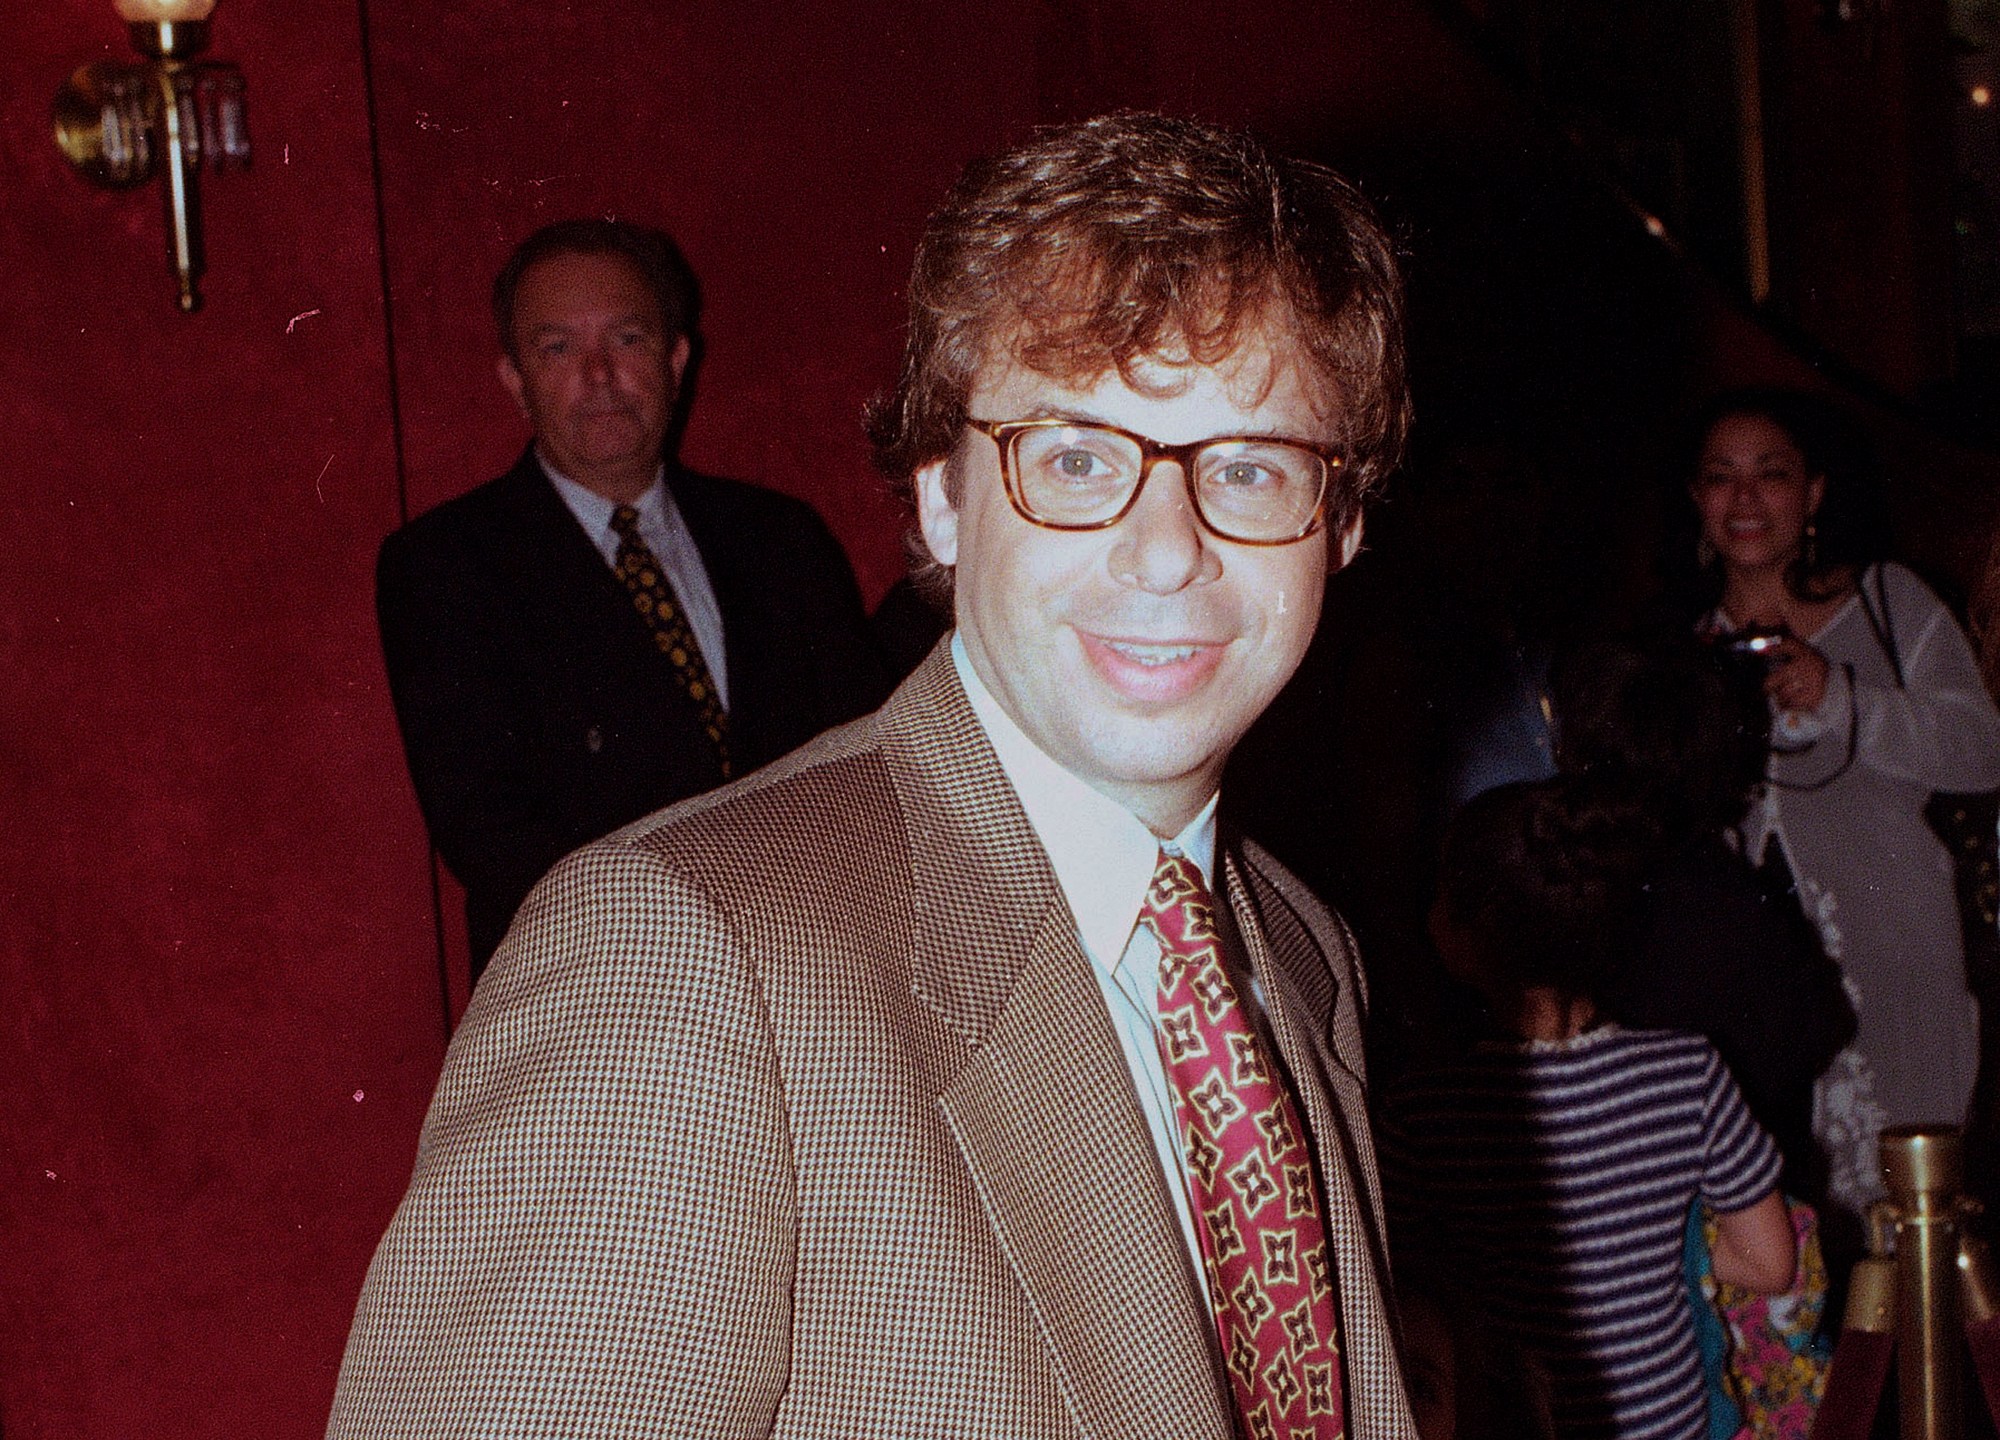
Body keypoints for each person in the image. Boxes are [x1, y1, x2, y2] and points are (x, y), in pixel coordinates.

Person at [327, 114, 1417, 1440]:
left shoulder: (1301, 950)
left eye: (1251, 468)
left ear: (1342, 525)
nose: (1166, 551)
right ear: (945, 498)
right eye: (1076, 459)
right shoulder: (679, 959)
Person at [375, 219, 885, 977]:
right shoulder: (447, 567)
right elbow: (492, 833)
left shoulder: (781, 540)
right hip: (598, 1000)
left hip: (809, 979)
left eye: (627, 340)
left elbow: (861, 770)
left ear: (676, 360)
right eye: (557, 349)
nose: (600, 376)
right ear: (515, 381)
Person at [1382, 779, 1797, 1440]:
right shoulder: (1689, 1072)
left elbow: (1407, 1301)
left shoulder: (1424, 1111)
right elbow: (1772, 1264)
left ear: (1460, 936)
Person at [1685, 388, 2000, 1224]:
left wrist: (1844, 699)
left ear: (1814, 493)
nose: (1746, 500)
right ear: (1696, 500)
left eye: (1772, 475)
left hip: (1896, 962)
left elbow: (1983, 747)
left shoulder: (1890, 601)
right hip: (1752, 996)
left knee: (1911, 1220)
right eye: (1721, 478)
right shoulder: (1681, 643)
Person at [1550, 636, 1854, 1202]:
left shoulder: (1576, 887)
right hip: (1735, 1197)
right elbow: (1819, 1025)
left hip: (1630, 1198)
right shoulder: (1726, 889)